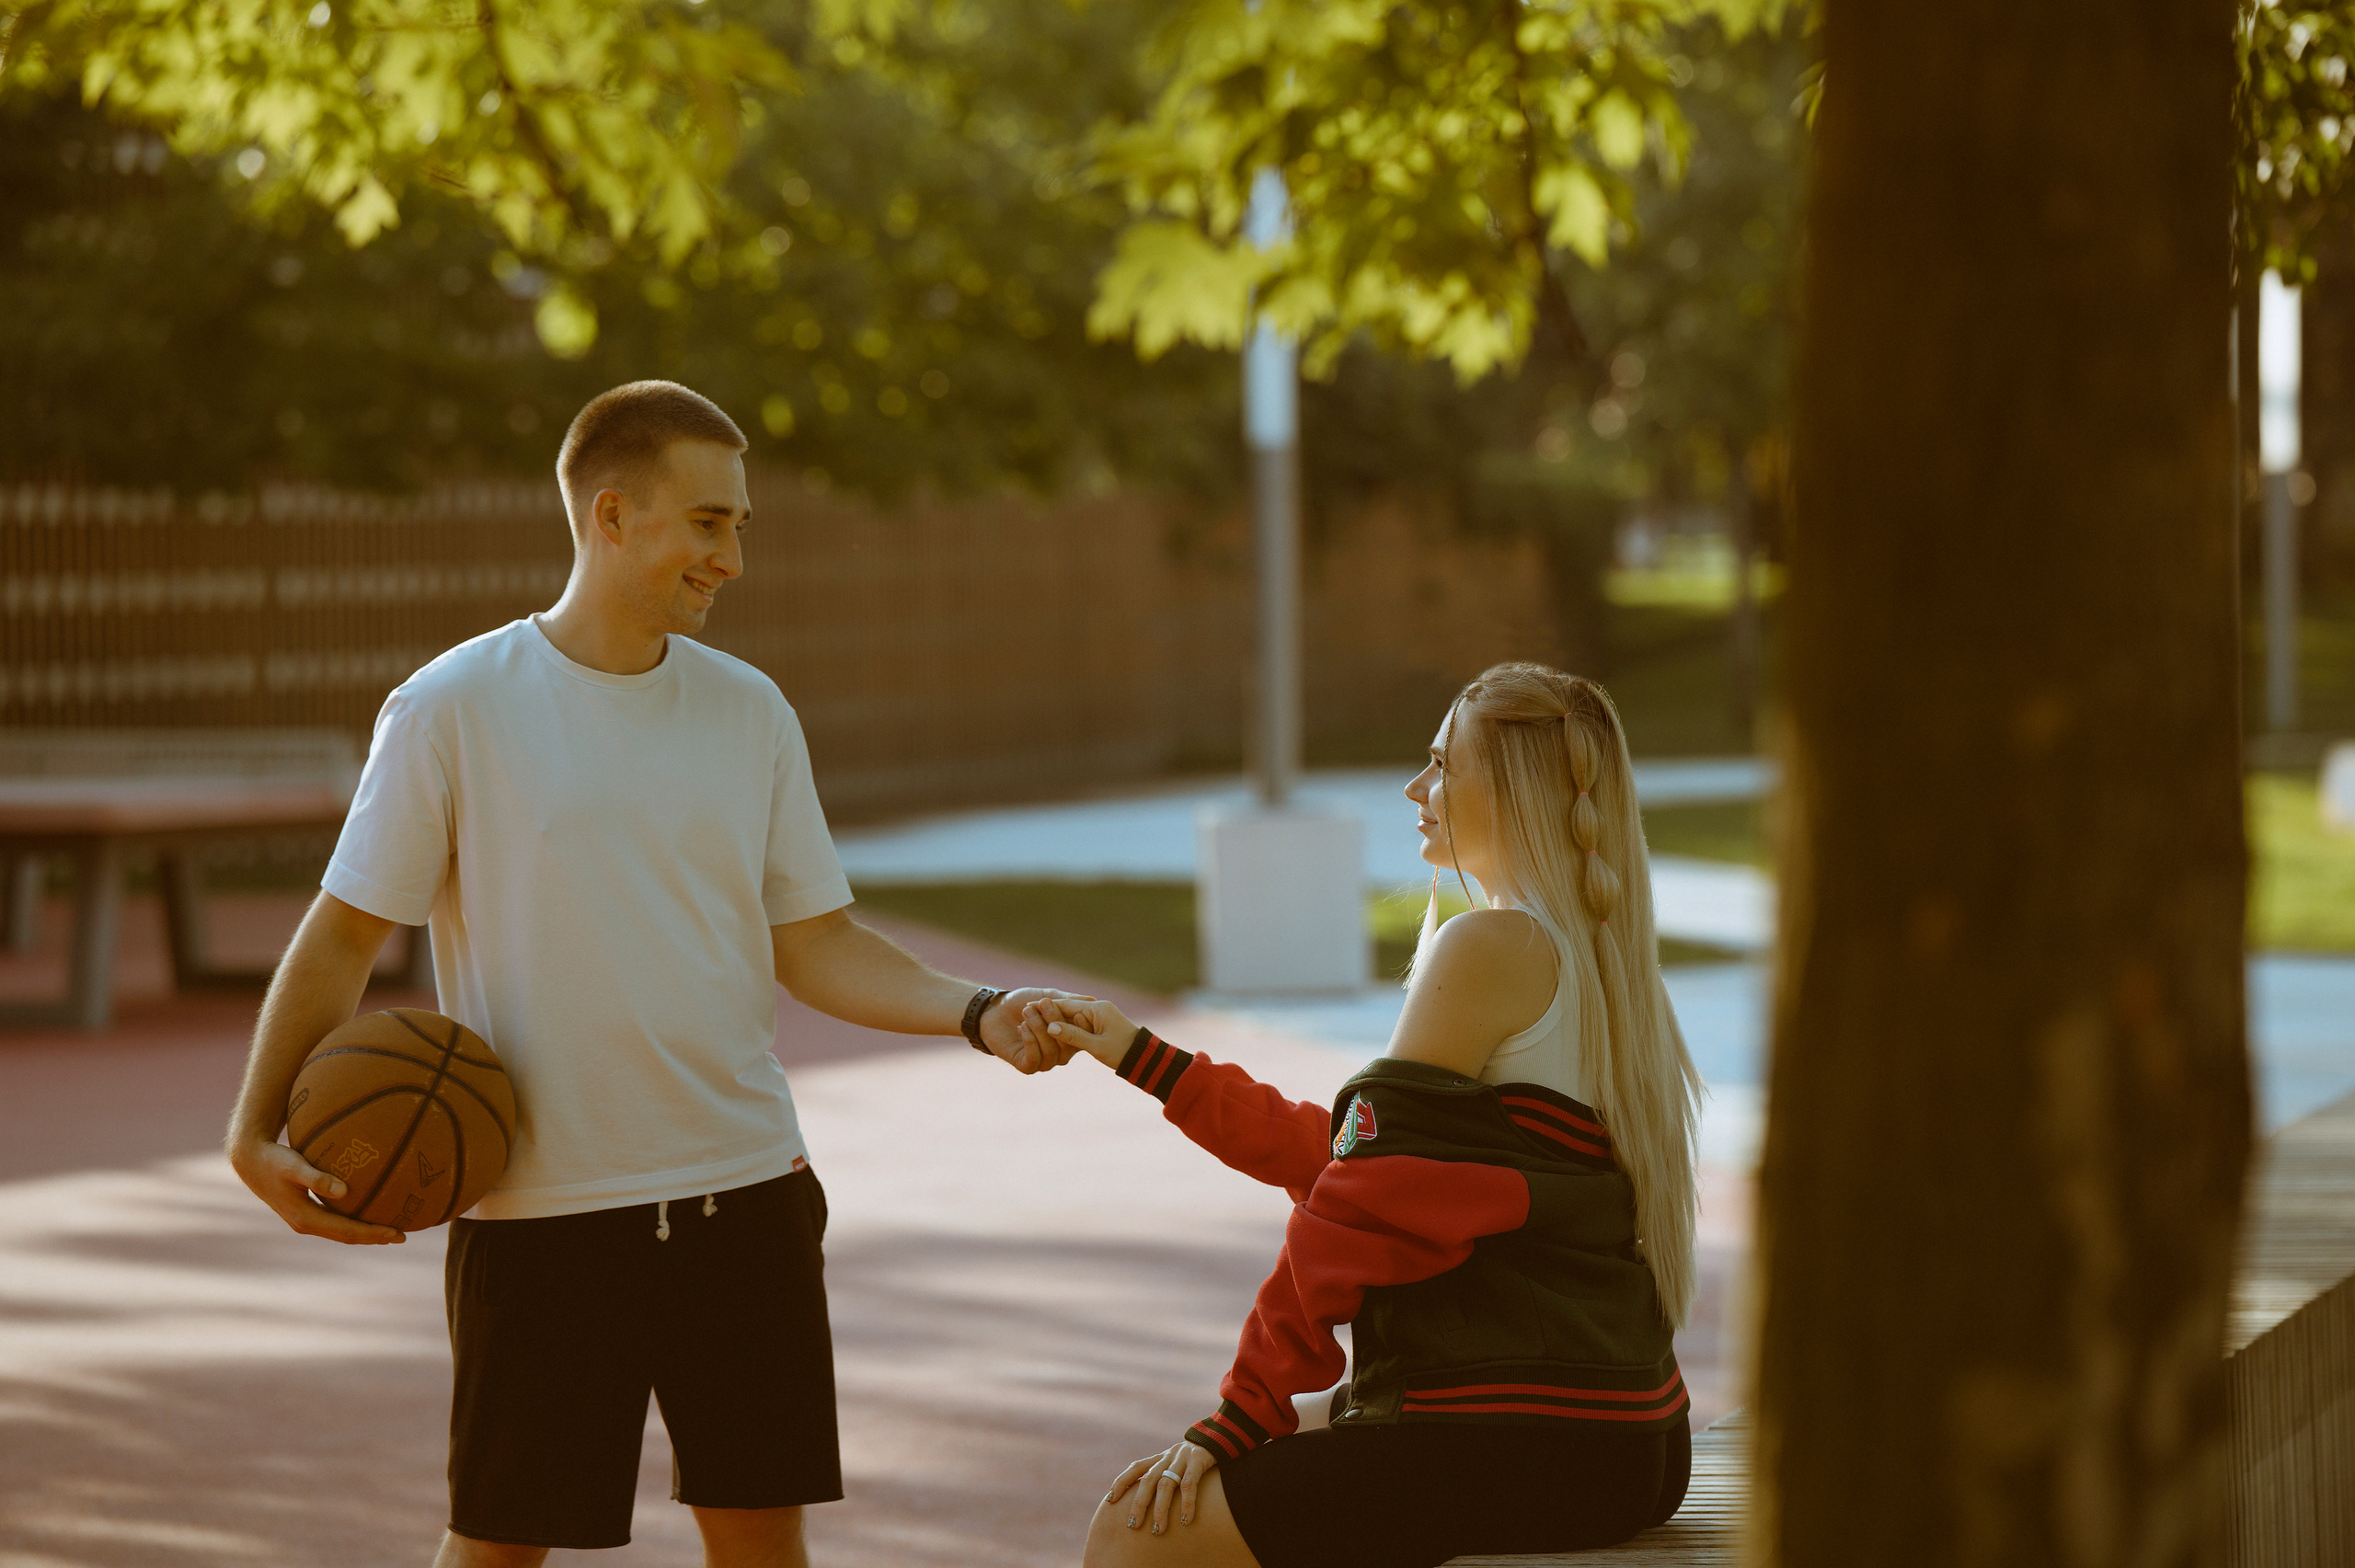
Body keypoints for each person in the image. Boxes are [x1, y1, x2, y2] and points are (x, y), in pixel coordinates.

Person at [223, 381, 1076, 1568]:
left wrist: (980, 1012)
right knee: (497, 1548)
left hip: (748, 1194)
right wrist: (252, 1130)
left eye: (740, 525)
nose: (733, 557)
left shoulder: (750, 711)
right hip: (542, 1216)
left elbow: (816, 941)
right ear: (612, 515)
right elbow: (343, 934)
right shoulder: (452, 707)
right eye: (709, 522)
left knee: (762, 1547)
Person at [1027, 662, 1702, 1568]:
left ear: (1509, 789)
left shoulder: (1491, 944)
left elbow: (1356, 1206)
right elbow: (1354, 1159)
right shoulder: (1602, 952)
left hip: (1532, 1435)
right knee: (1301, 1444)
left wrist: (1240, 1412)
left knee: (1134, 1532)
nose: (1417, 789)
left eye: (1441, 764)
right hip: (1628, 1433)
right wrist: (1143, 1058)